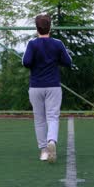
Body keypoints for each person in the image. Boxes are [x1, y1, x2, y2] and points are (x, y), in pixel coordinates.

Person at [22, 14, 72, 163]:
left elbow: (26, 62)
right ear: (50, 27)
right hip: (53, 86)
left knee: (39, 119)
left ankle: (44, 151)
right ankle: (52, 141)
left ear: (36, 28)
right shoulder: (58, 44)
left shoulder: (32, 44)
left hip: (36, 86)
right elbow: (68, 61)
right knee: (52, 116)